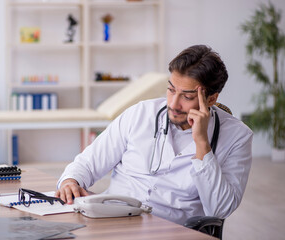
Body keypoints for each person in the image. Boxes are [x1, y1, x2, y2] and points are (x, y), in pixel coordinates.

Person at [55, 45, 253, 225]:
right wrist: (70, 180)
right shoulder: (140, 113)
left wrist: (202, 144)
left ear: (211, 99)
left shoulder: (237, 137)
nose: (174, 104)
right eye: (171, 90)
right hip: (111, 221)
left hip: (171, 231)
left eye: (187, 96)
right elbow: (88, 163)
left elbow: (220, 209)